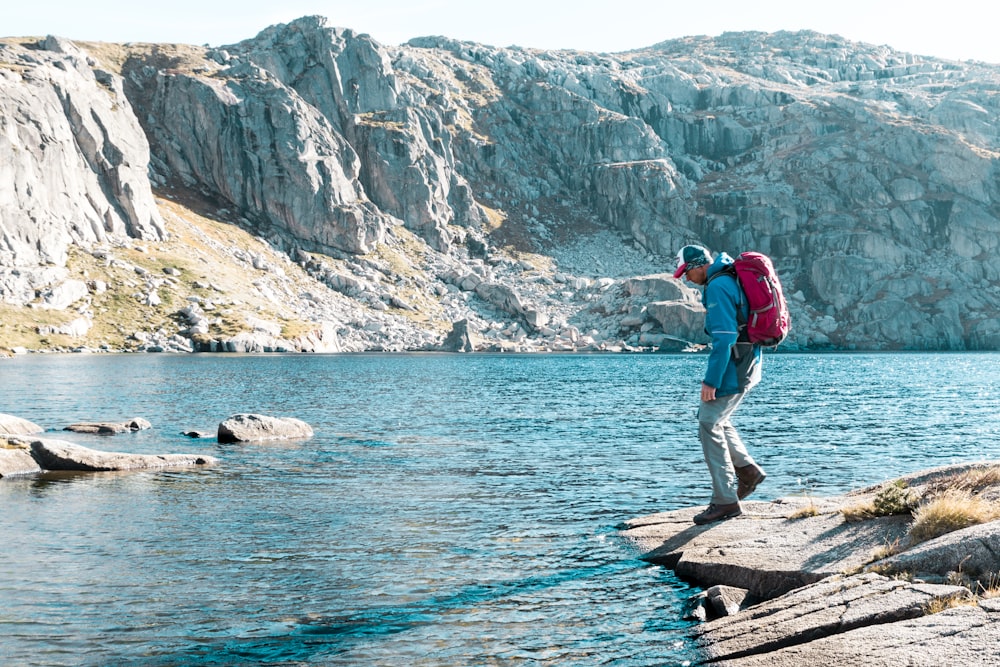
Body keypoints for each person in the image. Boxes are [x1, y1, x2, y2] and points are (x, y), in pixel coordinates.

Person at [673, 244, 767, 525]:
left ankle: (725, 500)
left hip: (734, 366)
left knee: (708, 422)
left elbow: (725, 337)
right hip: (748, 362)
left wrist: (710, 380)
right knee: (716, 419)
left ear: (698, 265)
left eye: (687, 273)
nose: (686, 279)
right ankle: (747, 471)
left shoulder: (717, 286)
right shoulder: (728, 277)